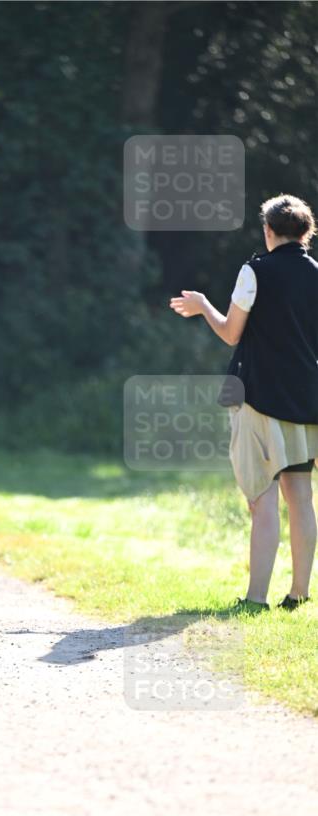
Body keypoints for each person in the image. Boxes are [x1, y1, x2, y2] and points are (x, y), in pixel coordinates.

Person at [170, 193, 318, 612]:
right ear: (305, 232)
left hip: (258, 397)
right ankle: (300, 594)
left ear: (268, 230)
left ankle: (256, 598)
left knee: (262, 498)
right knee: (301, 495)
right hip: (307, 398)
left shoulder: (254, 271)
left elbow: (231, 333)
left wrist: (202, 307)